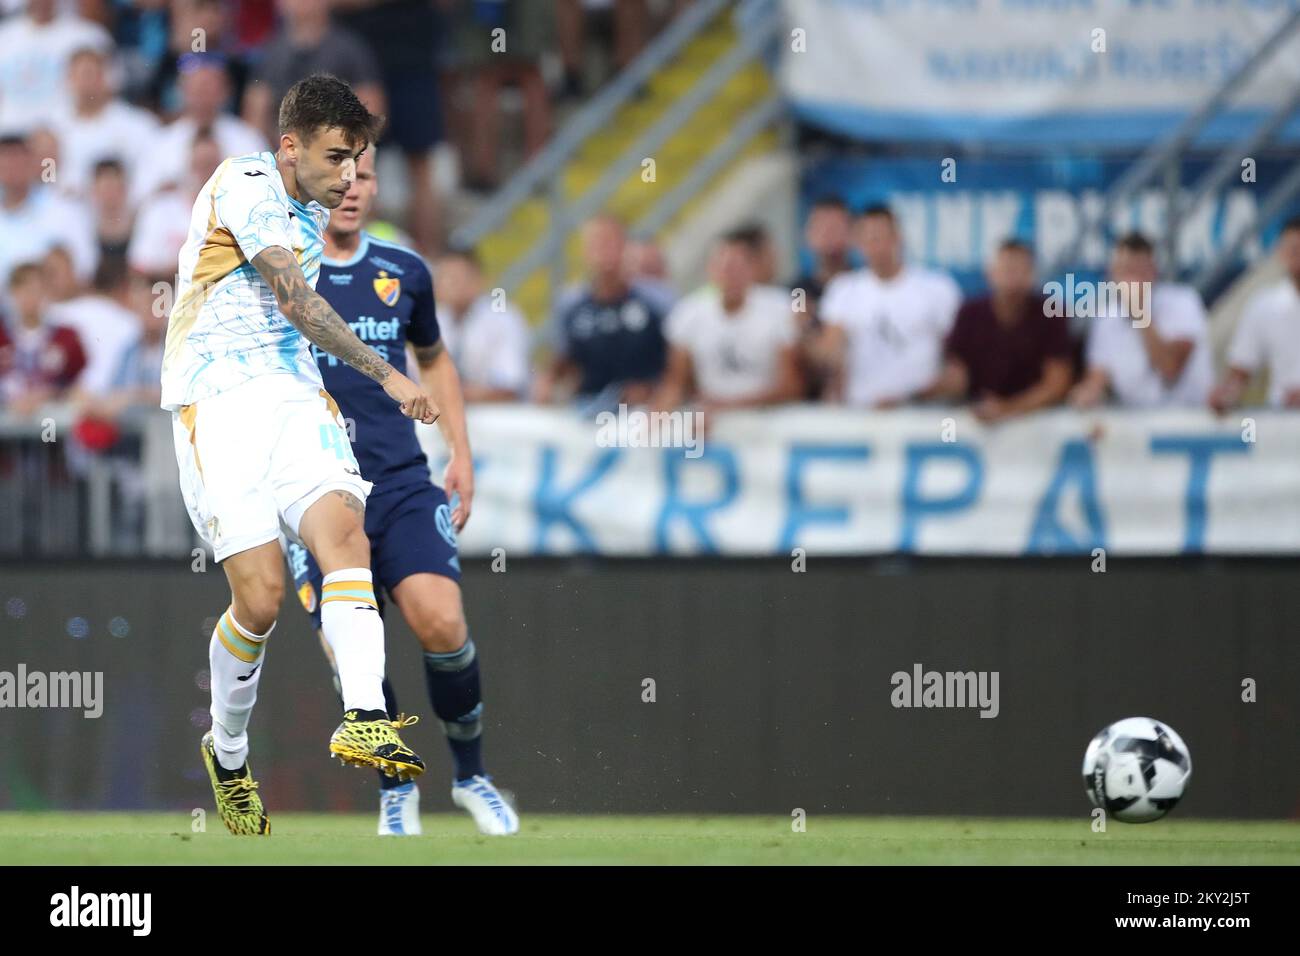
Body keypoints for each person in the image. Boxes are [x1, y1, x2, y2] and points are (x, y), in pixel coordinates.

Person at [163, 73, 437, 836]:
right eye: (337, 156)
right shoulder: (244, 181)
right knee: (261, 599)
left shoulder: (310, 214)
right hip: (215, 401)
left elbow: (299, 327)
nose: (349, 175)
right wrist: (388, 375)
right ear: (289, 148)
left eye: (358, 159)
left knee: (345, 531)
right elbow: (295, 300)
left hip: (292, 397)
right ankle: (227, 751)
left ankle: (366, 715)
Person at [282, 147, 519, 836]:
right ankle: (396, 788)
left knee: (441, 622)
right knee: (352, 649)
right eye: (340, 174)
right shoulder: (282, 273)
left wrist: (462, 454)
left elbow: (435, 361)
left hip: (402, 482)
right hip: (317, 491)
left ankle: (473, 776)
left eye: (366, 174)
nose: (352, 187)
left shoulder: (405, 271)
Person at [815, 204, 962, 408]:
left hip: (923, 413)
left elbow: (956, 363)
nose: (877, 246)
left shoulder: (937, 288)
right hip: (861, 411)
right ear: (858, 243)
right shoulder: (843, 290)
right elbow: (828, 352)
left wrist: (911, 398)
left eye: (882, 237)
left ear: (898, 237)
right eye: (869, 239)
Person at [924, 239, 1073, 421]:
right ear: (991, 273)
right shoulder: (970, 313)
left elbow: (1057, 383)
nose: (1011, 277)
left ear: (1031, 275)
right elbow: (957, 373)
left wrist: (1007, 409)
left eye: (1018, 270)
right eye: (1006, 269)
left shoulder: (1052, 313)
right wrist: (930, 388)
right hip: (979, 419)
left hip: (1037, 421)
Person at [656, 229, 803, 411]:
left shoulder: (781, 307)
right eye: (725, 268)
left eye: (739, 268)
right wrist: (659, 413)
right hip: (710, 413)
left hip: (767, 414)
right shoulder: (688, 312)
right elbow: (676, 383)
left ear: (752, 270)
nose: (731, 276)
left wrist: (728, 405)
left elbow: (792, 386)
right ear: (710, 270)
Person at [534, 213, 669, 411]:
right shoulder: (571, 304)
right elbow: (563, 360)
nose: (604, 251)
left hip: (646, 411)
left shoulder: (656, 300)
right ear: (585, 251)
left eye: (610, 242)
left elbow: (678, 366)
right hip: (591, 407)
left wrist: (654, 391)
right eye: (596, 243)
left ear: (625, 247)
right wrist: (546, 382)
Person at [1070, 232, 1212, 409]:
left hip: (1186, 420)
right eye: (1125, 271)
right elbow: (1098, 376)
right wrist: (1087, 392)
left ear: (1153, 272)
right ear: (1112, 274)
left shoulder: (1183, 302)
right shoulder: (1106, 317)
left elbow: (1170, 368)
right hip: (1135, 421)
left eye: (1138, 271)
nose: (1132, 280)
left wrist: (1139, 313)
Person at [1210, 216, 1300, 412]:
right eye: (1292, 248)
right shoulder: (1265, 305)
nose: (1296, 255)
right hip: (1285, 423)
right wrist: (1226, 396)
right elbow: (1240, 371)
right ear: (1281, 252)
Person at [433, 248, 531, 402]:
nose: (448, 286)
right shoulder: (433, 320)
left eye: (455, 279)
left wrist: (452, 394)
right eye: (443, 278)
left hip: (499, 417)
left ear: (477, 280)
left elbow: (508, 387)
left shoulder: (503, 320)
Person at [0, 260, 87, 415]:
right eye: (23, 289)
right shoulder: (2, 335)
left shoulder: (66, 337)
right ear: (12, 292)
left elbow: (77, 385)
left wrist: (49, 394)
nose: (30, 297)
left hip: (51, 424)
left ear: (46, 292)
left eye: (35, 290)